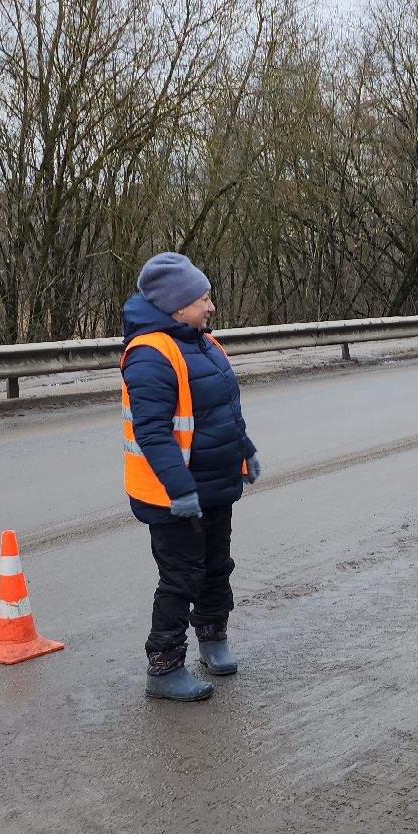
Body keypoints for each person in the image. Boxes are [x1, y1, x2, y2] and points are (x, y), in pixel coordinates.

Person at [121, 252, 260, 702]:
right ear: (176, 306)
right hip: (174, 496)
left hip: (215, 486)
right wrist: (180, 490)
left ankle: (214, 640)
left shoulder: (204, 343)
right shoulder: (149, 355)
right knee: (181, 578)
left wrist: (246, 450)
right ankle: (163, 668)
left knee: (217, 568)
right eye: (204, 298)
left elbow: (225, 413)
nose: (211, 307)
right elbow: (152, 433)